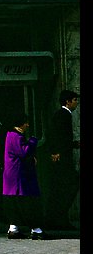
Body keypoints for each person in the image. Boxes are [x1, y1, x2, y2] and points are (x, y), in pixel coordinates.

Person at [2, 112, 47, 240]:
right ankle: (36, 229)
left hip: (11, 177)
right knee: (28, 204)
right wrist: (33, 140)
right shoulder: (16, 136)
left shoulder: (10, 135)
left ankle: (14, 229)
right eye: (26, 122)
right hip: (19, 177)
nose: (27, 125)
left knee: (14, 205)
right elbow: (24, 151)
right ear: (20, 124)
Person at [44, 90, 80, 230]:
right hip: (63, 159)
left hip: (62, 156)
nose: (76, 103)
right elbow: (56, 135)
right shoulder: (63, 115)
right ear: (68, 101)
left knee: (62, 188)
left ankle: (57, 219)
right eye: (75, 100)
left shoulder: (63, 115)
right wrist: (55, 151)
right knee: (66, 188)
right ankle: (58, 219)